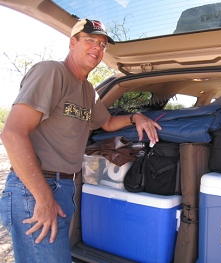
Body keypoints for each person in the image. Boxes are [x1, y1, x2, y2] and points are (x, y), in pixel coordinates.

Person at [0, 18, 161, 263]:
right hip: (33, 189)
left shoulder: (87, 90)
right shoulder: (52, 71)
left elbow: (106, 123)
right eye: (90, 40)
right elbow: (12, 134)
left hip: (62, 187)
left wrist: (136, 117)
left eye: (103, 44)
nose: (97, 47)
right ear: (72, 43)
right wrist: (43, 198)